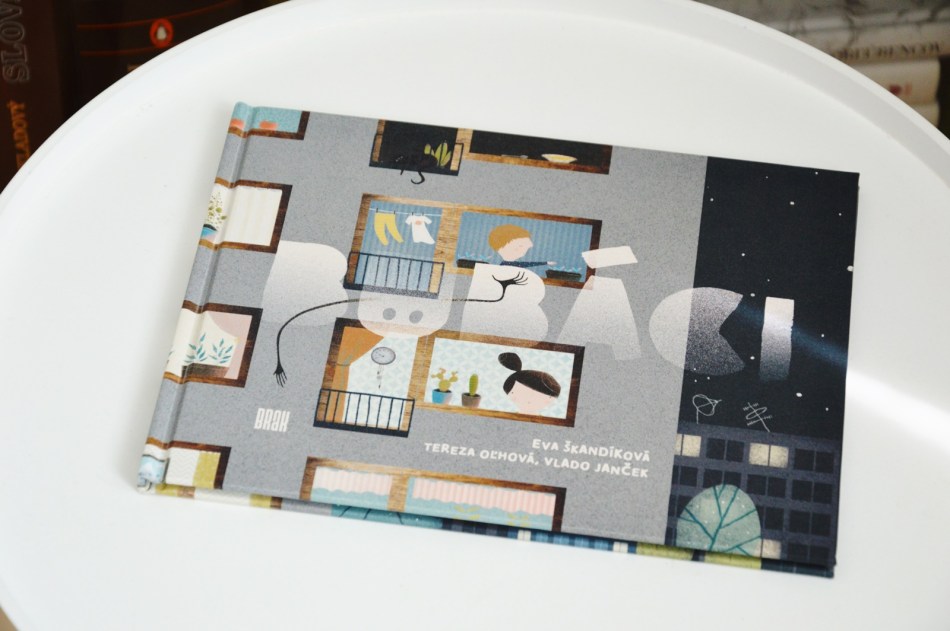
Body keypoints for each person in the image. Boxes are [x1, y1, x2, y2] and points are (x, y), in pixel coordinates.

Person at [488, 224, 555, 269]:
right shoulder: (505, 266)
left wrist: (546, 263)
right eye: (521, 246)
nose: (529, 246)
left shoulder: (511, 264)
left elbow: (526, 264)